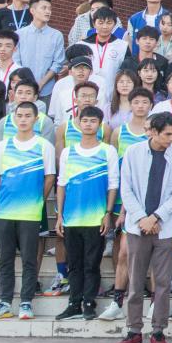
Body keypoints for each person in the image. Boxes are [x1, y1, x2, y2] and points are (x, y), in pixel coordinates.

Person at [113, 112, 172, 343]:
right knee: (136, 281)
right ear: (153, 132)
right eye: (167, 134)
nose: (171, 138)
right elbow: (126, 189)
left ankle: (158, 331)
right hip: (137, 227)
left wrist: (156, 217)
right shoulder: (133, 152)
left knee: (163, 282)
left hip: (165, 227)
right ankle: (134, 331)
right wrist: (142, 218)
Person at [0, 101, 55, 322]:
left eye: (28, 116)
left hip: (30, 213)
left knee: (29, 260)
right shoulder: (3, 146)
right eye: (20, 115)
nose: (23, 119)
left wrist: (36, 200)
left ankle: (26, 302)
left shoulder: (44, 145)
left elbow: (49, 177)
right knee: (5, 259)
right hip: (5, 212)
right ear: (14, 118)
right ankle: (5, 302)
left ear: (36, 119)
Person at [54, 106, 117, 322]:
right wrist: (60, 215)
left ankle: (89, 303)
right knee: (74, 264)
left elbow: (113, 184)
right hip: (71, 218)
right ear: (79, 123)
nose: (88, 124)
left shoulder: (107, 151)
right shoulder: (68, 152)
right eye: (85, 120)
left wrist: (108, 213)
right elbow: (62, 184)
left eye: (93, 121)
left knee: (91, 264)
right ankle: (74, 303)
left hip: (96, 218)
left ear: (100, 125)